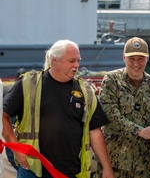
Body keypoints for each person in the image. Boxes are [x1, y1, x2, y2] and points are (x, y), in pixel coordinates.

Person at [2, 39, 115, 178]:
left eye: (78, 61)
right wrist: (17, 150)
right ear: (54, 60)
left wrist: (107, 167)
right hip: (32, 169)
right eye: (71, 61)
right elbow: (3, 115)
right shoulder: (28, 84)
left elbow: (95, 132)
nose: (77, 65)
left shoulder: (86, 92)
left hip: (69, 172)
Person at [95, 37, 150, 178]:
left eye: (140, 58)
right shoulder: (111, 80)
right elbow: (109, 116)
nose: (136, 63)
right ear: (123, 58)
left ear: (147, 58)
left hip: (143, 167)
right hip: (113, 165)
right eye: (131, 58)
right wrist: (139, 131)